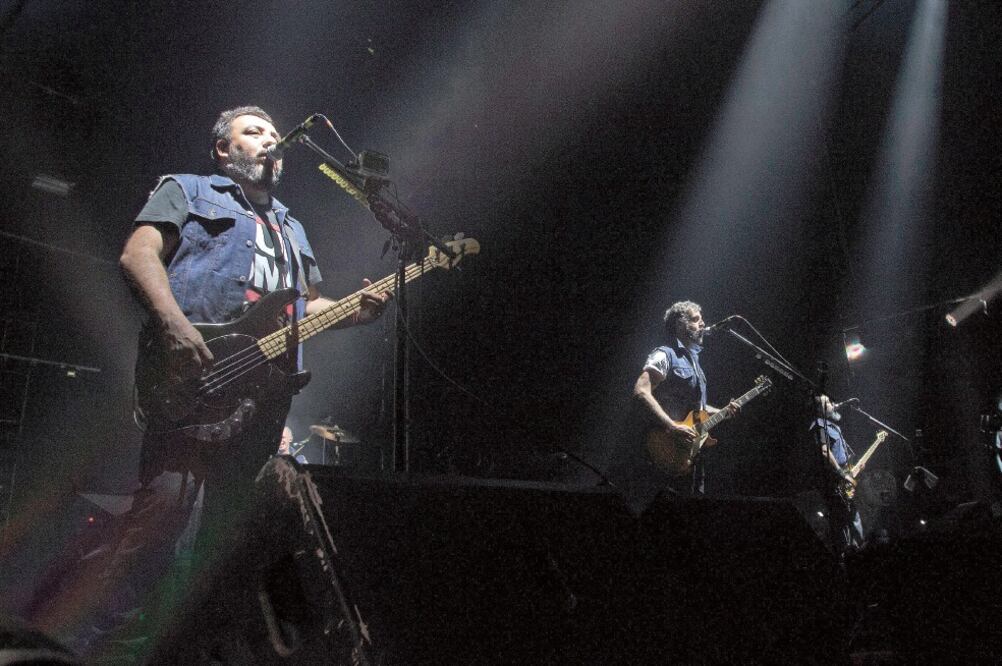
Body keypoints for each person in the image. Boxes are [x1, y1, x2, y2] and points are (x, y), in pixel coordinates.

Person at [56, 106, 390, 658]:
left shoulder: (292, 228)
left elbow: (303, 309)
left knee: (227, 554)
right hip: (194, 382)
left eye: (273, 135)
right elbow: (138, 254)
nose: (269, 141)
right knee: (156, 536)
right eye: (254, 132)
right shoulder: (188, 190)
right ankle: (77, 649)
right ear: (223, 149)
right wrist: (175, 326)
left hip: (259, 406)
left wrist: (354, 311)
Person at [633, 300, 737, 494]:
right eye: (696, 319)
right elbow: (641, 390)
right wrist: (672, 426)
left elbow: (697, 409)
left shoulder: (695, 362)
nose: (703, 324)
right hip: (665, 446)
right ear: (680, 324)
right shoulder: (666, 354)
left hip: (691, 454)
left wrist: (723, 411)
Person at [810, 394, 865, 553]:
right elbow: (824, 451)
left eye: (831, 401)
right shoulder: (819, 425)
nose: (833, 404)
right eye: (827, 403)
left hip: (844, 477)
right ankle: (847, 556)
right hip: (834, 482)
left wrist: (854, 468)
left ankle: (858, 550)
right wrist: (842, 473)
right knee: (843, 520)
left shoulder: (834, 427)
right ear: (819, 410)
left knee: (852, 515)